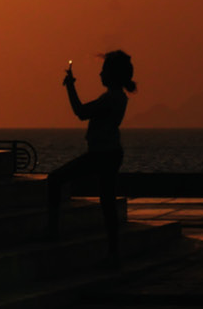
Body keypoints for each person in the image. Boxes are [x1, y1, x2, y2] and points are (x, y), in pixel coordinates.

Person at [47, 50, 136, 261]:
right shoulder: (119, 97)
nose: (100, 74)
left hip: (101, 155)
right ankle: (113, 251)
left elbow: (81, 112)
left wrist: (70, 86)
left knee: (55, 180)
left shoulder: (111, 99)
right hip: (111, 153)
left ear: (112, 74)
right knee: (107, 202)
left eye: (103, 70)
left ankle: (52, 231)